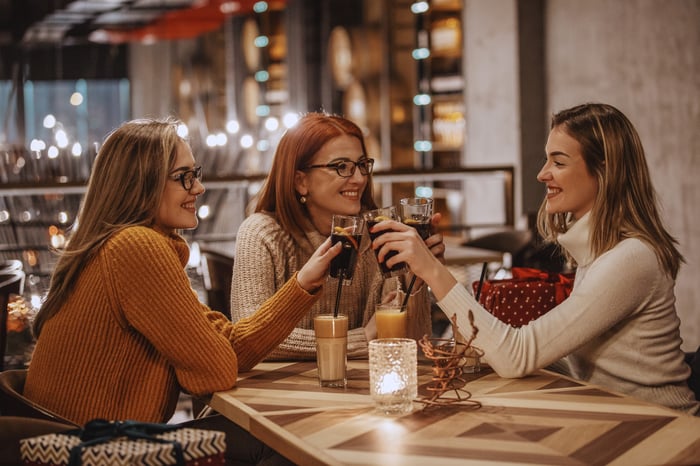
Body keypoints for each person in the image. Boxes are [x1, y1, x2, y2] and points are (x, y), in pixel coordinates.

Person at [25, 117, 342, 465]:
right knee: (287, 437)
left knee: (275, 429)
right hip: (100, 453)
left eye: (197, 173)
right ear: (140, 184)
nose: (198, 188)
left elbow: (228, 344)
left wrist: (301, 284)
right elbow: (215, 370)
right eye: (183, 177)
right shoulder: (136, 247)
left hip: (99, 445)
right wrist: (205, 355)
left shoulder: (126, 245)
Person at [371, 103, 699, 415]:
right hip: (611, 412)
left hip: (661, 427)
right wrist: (493, 339)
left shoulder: (631, 259)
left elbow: (517, 356)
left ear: (604, 171)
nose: (542, 174)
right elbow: (571, 363)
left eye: (558, 162)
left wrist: (432, 269)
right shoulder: (599, 252)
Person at [230, 112, 444, 359]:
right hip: (278, 392)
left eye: (362, 165)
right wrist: (361, 338)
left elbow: (413, 346)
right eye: (341, 167)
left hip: (364, 390)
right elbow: (249, 339)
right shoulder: (261, 234)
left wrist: (417, 281)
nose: (359, 178)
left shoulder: (380, 232)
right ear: (301, 181)